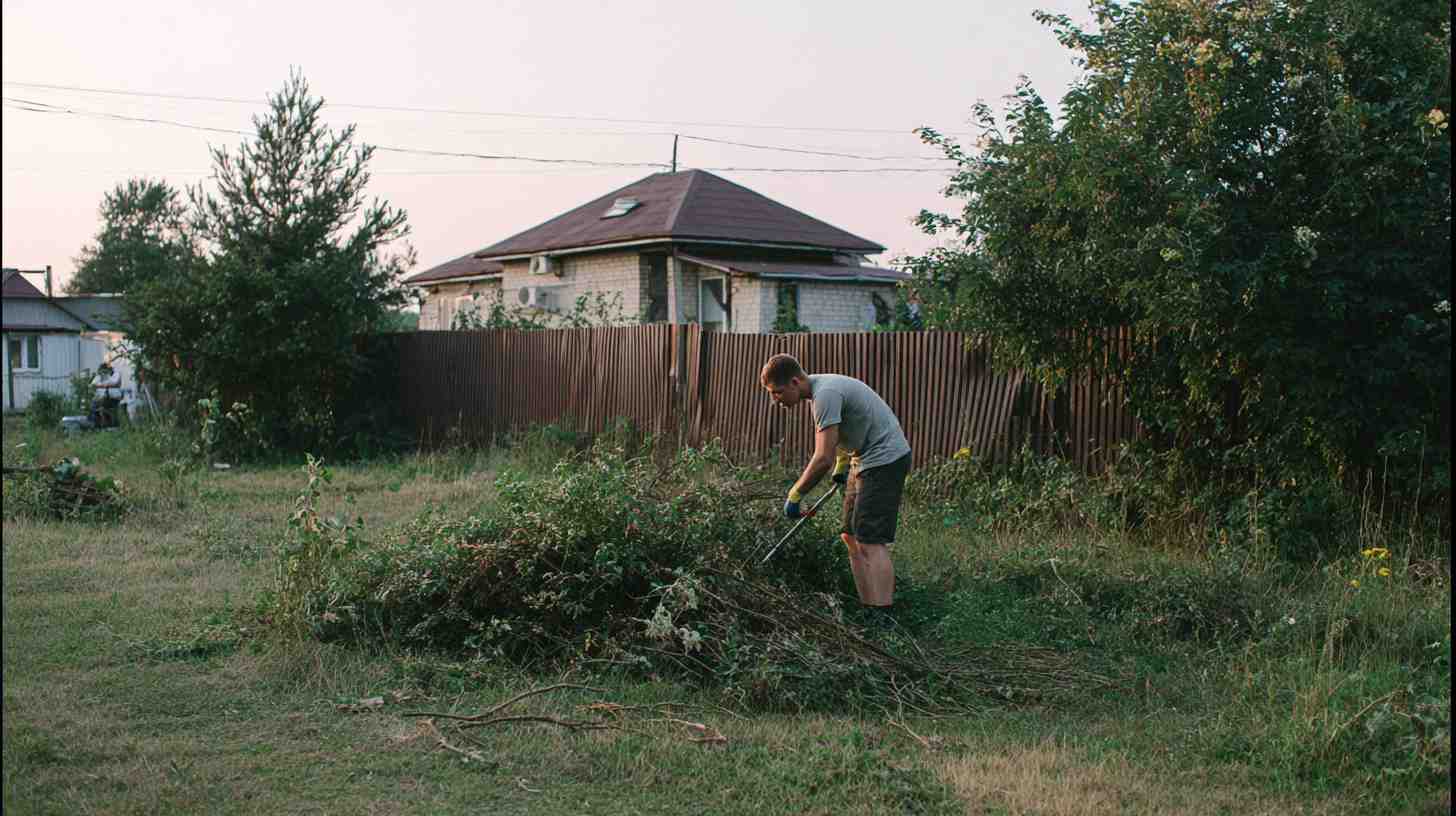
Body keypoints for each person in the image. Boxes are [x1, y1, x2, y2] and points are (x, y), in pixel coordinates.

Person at [759, 353, 912, 612]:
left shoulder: (825, 394)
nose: (776, 400)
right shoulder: (818, 392)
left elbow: (822, 458)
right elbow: (841, 432)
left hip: (884, 459)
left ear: (795, 382)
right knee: (849, 536)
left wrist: (795, 495)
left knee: (870, 540)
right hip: (862, 459)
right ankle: (868, 607)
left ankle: (884, 616)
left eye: (778, 392)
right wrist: (843, 466)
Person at [90, 362, 123, 428]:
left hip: (113, 397)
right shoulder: (100, 376)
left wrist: (101, 385)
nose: (103, 372)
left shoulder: (116, 374)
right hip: (101, 397)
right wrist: (102, 384)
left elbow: (115, 383)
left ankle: (111, 424)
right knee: (93, 406)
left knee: (105, 407)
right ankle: (97, 424)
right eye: (101, 370)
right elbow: (92, 384)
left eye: (104, 370)